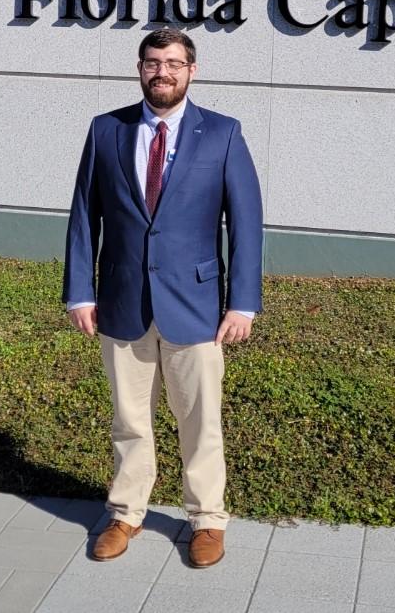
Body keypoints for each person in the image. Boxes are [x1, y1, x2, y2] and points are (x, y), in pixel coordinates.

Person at [63, 28, 263, 568]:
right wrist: (81, 291)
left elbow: (245, 223)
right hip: (123, 301)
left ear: (192, 71)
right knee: (129, 419)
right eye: (154, 63)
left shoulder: (222, 134)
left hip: (195, 305)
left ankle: (206, 521)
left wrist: (241, 303)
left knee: (200, 420)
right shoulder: (108, 130)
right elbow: (85, 216)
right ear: (140, 67)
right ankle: (126, 513)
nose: (163, 72)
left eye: (174, 63)